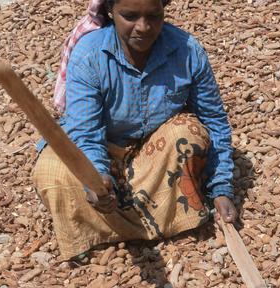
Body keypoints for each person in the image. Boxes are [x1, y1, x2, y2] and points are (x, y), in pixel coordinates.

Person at [33, 0, 238, 261]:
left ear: (164, 8)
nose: (143, 27)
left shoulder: (187, 51)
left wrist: (221, 188)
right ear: (110, 11)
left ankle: (122, 226)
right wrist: (96, 178)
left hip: (154, 150)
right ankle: (138, 220)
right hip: (103, 145)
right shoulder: (89, 55)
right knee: (52, 172)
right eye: (129, 16)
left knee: (190, 133)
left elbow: (214, 120)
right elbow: (86, 131)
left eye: (153, 16)